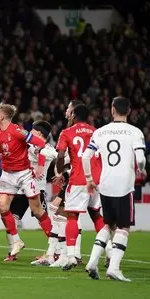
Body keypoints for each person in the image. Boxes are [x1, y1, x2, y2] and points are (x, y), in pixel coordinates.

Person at [83, 97, 146, 282]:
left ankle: (92, 262)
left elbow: (86, 157)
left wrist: (89, 179)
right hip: (124, 185)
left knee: (108, 224)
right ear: (129, 111)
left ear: (112, 110)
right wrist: (141, 169)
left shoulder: (100, 132)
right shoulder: (135, 132)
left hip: (105, 183)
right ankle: (114, 268)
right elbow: (141, 159)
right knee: (124, 226)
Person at [0, 103, 50, 260]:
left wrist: (40, 165)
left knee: (37, 211)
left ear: (3, 116)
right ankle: (16, 241)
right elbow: (0, 148)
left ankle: (57, 245)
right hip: (7, 174)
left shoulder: (18, 131)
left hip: (24, 174)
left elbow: (40, 143)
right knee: (2, 207)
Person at [55, 104, 105, 270]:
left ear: (74, 115)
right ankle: (110, 253)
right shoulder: (97, 132)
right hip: (97, 180)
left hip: (78, 179)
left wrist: (60, 170)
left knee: (72, 216)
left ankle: (70, 256)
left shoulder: (67, 132)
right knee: (96, 214)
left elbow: (61, 154)